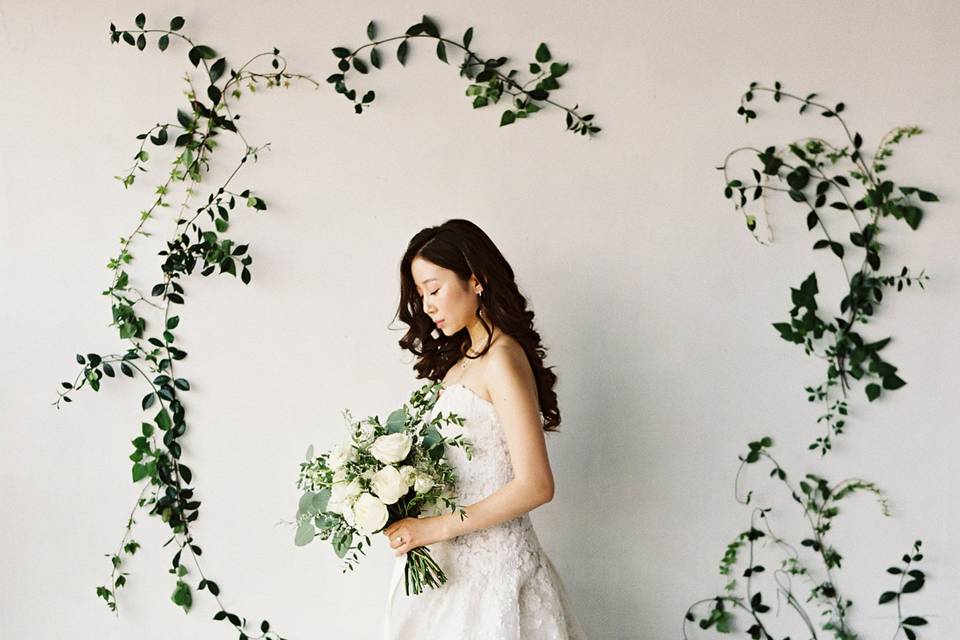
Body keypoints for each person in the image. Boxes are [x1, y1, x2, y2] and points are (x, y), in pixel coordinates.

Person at [381, 219, 587, 639]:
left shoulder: (503, 357)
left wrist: (434, 528)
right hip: (449, 573)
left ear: (476, 281)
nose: (428, 306)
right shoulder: (459, 365)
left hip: (496, 575)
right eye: (420, 295)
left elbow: (536, 485)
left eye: (434, 289)